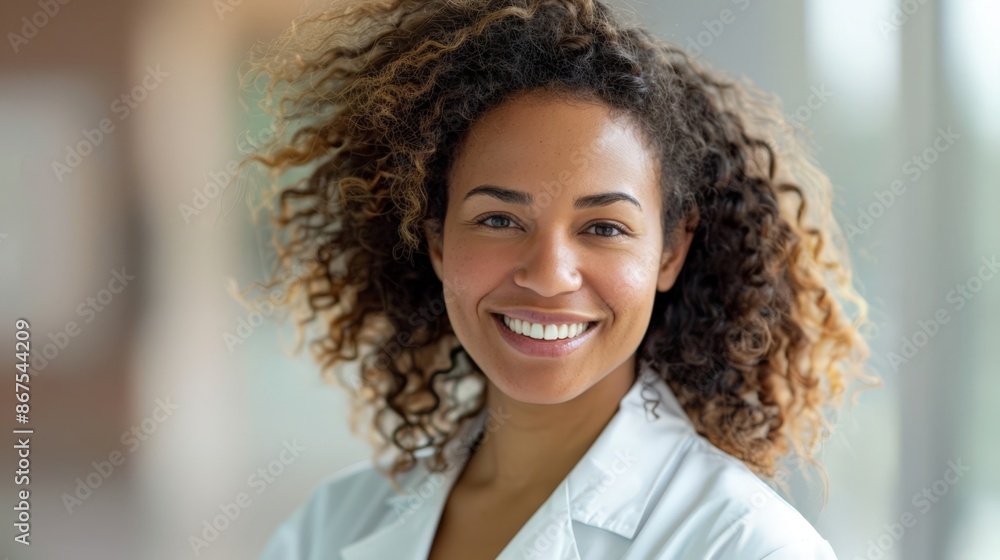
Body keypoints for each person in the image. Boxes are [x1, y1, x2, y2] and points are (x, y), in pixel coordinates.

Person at [241, 0, 875, 558]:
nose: (547, 276)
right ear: (435, 241)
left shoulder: (747, 546)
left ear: (669, 253)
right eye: (498, 218)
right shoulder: (332, 525)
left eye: (603, 227)